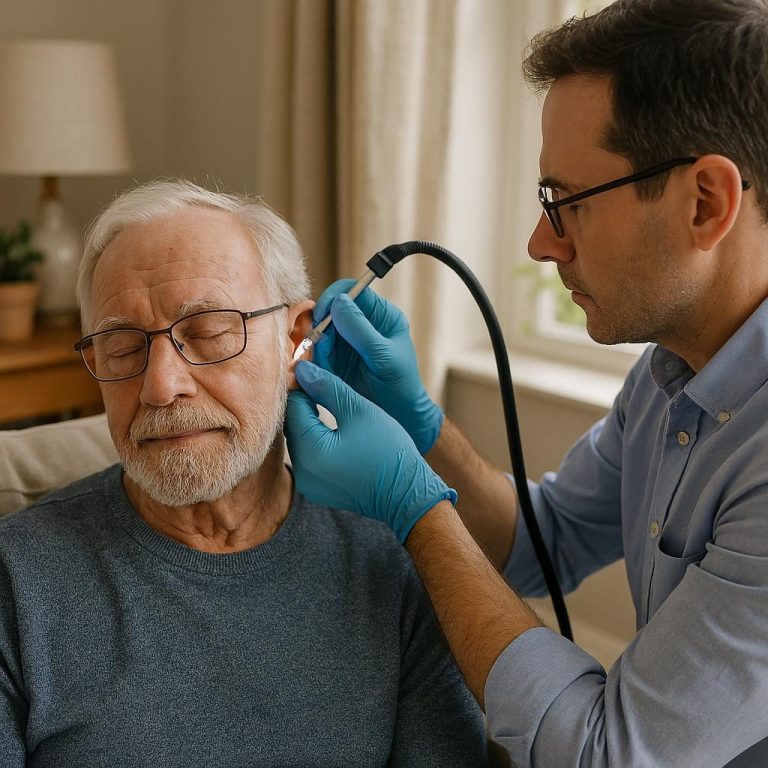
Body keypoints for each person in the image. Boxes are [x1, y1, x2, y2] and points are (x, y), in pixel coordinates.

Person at [284, 1, 768, 765]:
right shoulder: (672, 372)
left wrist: (414, 509)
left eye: (566, 202)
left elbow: (603, 753)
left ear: (706, 202)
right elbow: (544, 540)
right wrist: (420, 430)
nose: (541, 243)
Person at [0, 180, 488, 767]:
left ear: (297, 342)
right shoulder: (17, 582)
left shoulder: (396, 566)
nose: (160, 387)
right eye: (123, 346)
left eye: (208, 332)